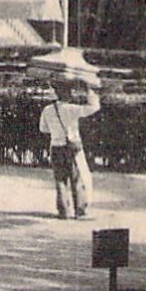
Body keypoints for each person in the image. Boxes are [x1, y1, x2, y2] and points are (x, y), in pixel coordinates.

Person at [39, 74, 100, 220]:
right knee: (76, 178)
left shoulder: (47, 110)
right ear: (67, 93)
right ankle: (80, 210)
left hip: (56, 146)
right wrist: (89, 91)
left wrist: (56, 132)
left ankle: (64, 211)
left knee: (60, 180)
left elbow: (43, 129)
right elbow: (94, 107)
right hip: (71, 147)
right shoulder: (71, 109)